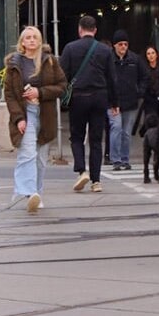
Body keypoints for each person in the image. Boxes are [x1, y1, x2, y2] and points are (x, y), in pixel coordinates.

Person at [3, 26, 66, 214]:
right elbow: (9, 95)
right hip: (26, 112)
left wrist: (40, 92)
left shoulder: (50, 62)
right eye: (27, 38)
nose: (31, 40)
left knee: (40, 158)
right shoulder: (14, 64)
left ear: (40, 41)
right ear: (22, 42)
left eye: (34, 37)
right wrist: (18, 118)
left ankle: (36, 193)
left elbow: (62, 86)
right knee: (27, 152)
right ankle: (29, 193)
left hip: (44, 113)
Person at [59, 15, 117, 194]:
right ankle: (96, 181)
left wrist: (63, 99)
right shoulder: (105, 50)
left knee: (76, 136)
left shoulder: (70, 48)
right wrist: (114, 102)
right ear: (95, 30)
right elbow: (112, 78)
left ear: (79, 29)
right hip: (99, 97)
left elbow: (62, 76)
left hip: (79, 97)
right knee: (96, 140)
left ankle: (81, 170)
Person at [107, 30, 149, 171]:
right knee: (116, 128)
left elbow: (145, 76)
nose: (123, 47)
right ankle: (115, 159)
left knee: (126, 132)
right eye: (120, 44)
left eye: (125, 44)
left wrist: (140, 91)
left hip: (130, 101)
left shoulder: (135, 60)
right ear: (114, 45)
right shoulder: (108, 60)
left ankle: (125, 159)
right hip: (113, 101)